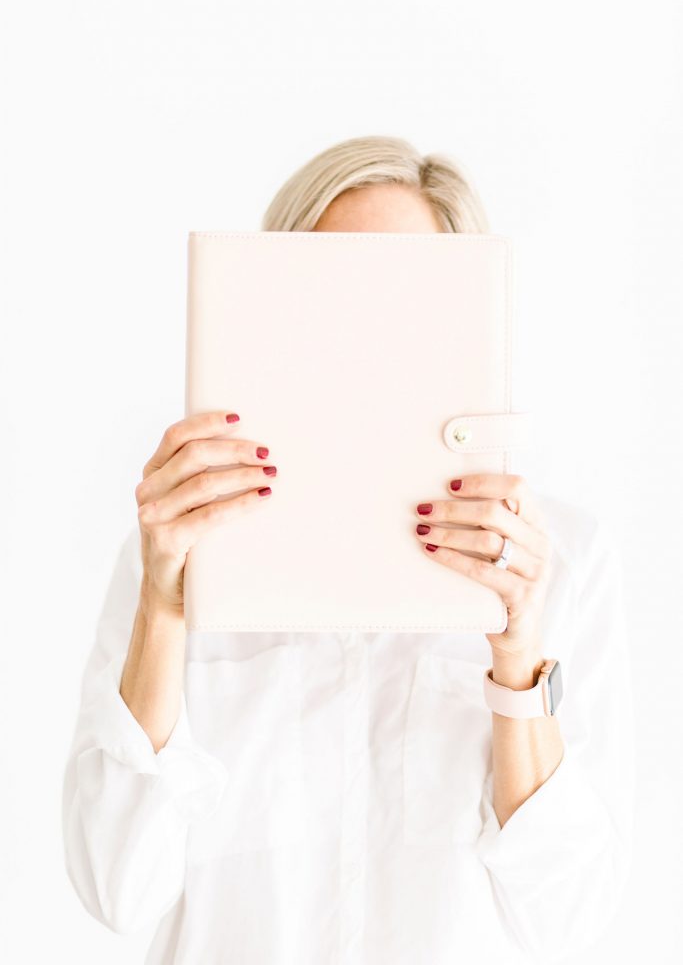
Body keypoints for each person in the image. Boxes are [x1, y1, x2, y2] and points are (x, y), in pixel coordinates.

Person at [61, 135, 635, 965]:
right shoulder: (180, 550)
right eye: (333, 291)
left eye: (405, 298)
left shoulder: (560, 560)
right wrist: (164, 606)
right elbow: (116, 889)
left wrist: (516, 661)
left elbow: (567, 918)